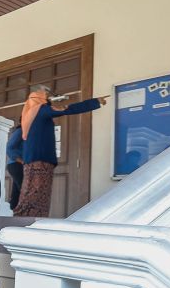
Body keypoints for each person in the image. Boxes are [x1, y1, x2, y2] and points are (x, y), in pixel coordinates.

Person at [12, 84, 108, 217]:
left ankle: (28, 222)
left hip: (35, 160)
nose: (48, 96)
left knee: (33, 193)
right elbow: (67, 109)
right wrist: (95, 102)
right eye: (45, 93)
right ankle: (27, 224)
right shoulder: (40, 109)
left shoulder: (31, 113)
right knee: (36, 195)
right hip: (40, 161)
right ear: (38, 97)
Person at [6, 126, 24, 211]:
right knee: (24, 189)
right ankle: (24, 213)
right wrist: (20, 160)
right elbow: (9, 148)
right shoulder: (20, 131)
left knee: (16, 191)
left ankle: (13, 212)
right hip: (16, 164)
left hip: (17, 165)